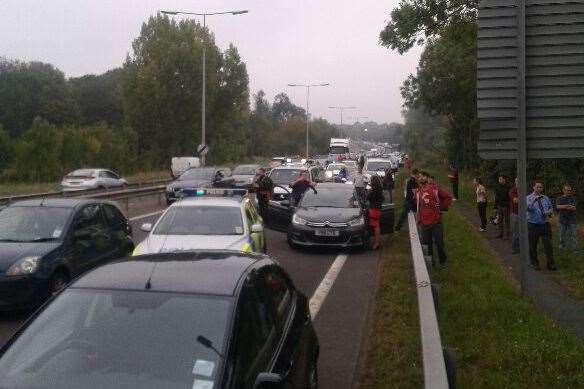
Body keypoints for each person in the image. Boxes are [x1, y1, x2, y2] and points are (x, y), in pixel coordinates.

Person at [416, 171, 453, 265]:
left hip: (436, 222)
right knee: (427, 246)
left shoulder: (435, 189)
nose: (420, 178)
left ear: (427, 178)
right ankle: (430, 265)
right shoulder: (418, 191)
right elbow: (419, 206)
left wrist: (440, 207)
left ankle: (442, 262)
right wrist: (418, 219)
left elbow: (448, 197)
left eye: (422, 176)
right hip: (424, 224)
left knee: (439, 244)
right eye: (419, 177)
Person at [527, 182, 555, 271]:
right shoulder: (528, 198)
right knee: (533, 245)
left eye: (541, 187)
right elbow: (527, 208)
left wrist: (549, 212)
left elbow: (551, 208)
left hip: (545, 224)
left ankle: (550, 264)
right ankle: (535, 263)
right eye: (538, 187)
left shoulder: (545, 198)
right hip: (533, 224)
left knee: (548, 245)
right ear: (533, 187)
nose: (539, 188)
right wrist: (534, 200)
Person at [556, 183, 579, 252]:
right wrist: (567, 206)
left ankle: (575, 249)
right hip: (562, 220)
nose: (569, 192)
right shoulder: (559, 198)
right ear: (563, 190)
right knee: (562, 235)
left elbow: (574, 208)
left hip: (572, 220)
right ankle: (562, 246)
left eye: (570, 190)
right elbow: (557, 207)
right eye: (567, 190)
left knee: (574, 235)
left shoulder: (573, 198)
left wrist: (563, 206)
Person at [367, 175, 385, 250]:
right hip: (378, 209)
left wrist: (368, 191)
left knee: (375, 226)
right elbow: (383, 198)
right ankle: (376, 241)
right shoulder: (380, 190)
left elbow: (367, 198)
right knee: (376, 226)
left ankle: (376, 242)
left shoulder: (372, 190)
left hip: (373, 209)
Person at [494, 175, 511, 240]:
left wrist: (508, 204)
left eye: (501, 179)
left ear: (504, 179)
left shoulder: (508, 187)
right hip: (499, 206)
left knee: (507, 221)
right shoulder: (498, 187)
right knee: (499, 220)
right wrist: (495, 207)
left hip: (506, 206)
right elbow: (496, 197)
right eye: (499, 179)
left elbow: (509, 197)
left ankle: (507, 235)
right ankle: (500, 233)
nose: (499, 180)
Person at [509, 178, 520, 254]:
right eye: (518, 181)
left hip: (524, 214)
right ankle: (514, 248)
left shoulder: (525, 190)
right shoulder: (512, 190)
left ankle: (521, 248)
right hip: (515, 213)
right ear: (515, 182)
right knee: (516, 232)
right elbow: (515, 200)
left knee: (523, 232)